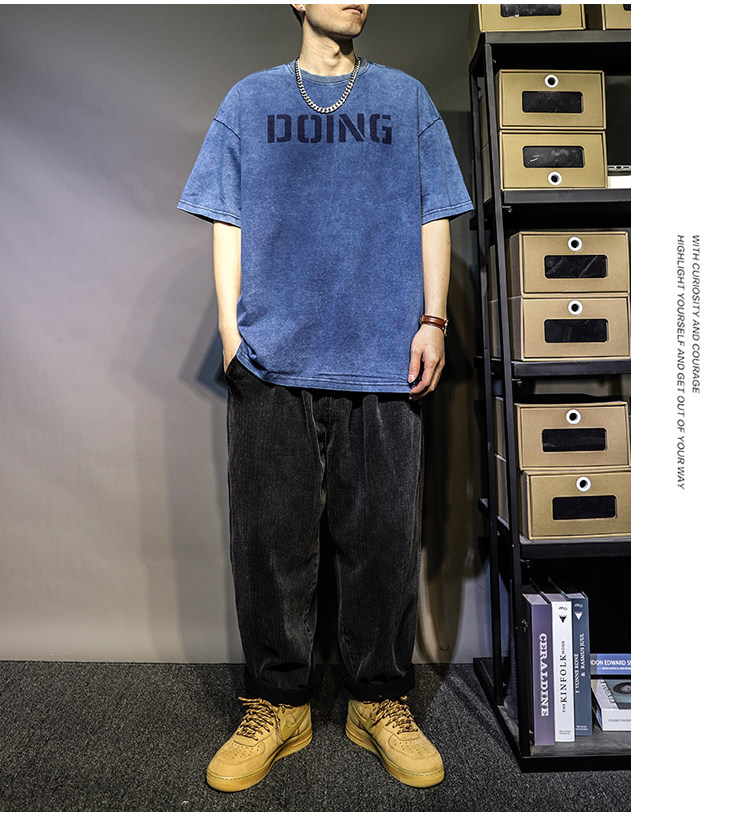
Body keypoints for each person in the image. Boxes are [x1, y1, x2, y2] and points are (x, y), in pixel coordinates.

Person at [178, 3, 473, 792]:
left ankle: (379, 701)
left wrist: (433, 320)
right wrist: (231, 332)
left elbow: (434, 212)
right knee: (271, 541)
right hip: (274, 358)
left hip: (382, 355)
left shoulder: (404, 98)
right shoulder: (250, 100)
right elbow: (227, 216)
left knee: (382, 539)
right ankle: (278, 705)